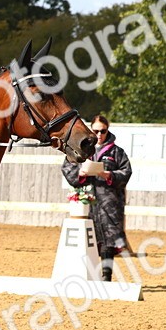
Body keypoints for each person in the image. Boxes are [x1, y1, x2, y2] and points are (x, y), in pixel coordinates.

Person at [62, 114, 132, 281]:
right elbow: (67, 167)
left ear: (108, 131)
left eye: (103, 131)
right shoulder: (81, 148)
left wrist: (109, 175)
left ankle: (106, 276)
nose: (100, 135)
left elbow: (126, 172)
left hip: (109, 201)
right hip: (87, 198)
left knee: (109, 238)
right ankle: (87, 275)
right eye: (96, 131)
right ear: (91, 131)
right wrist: (80, 173)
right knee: (88, 237)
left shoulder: (116, 152)